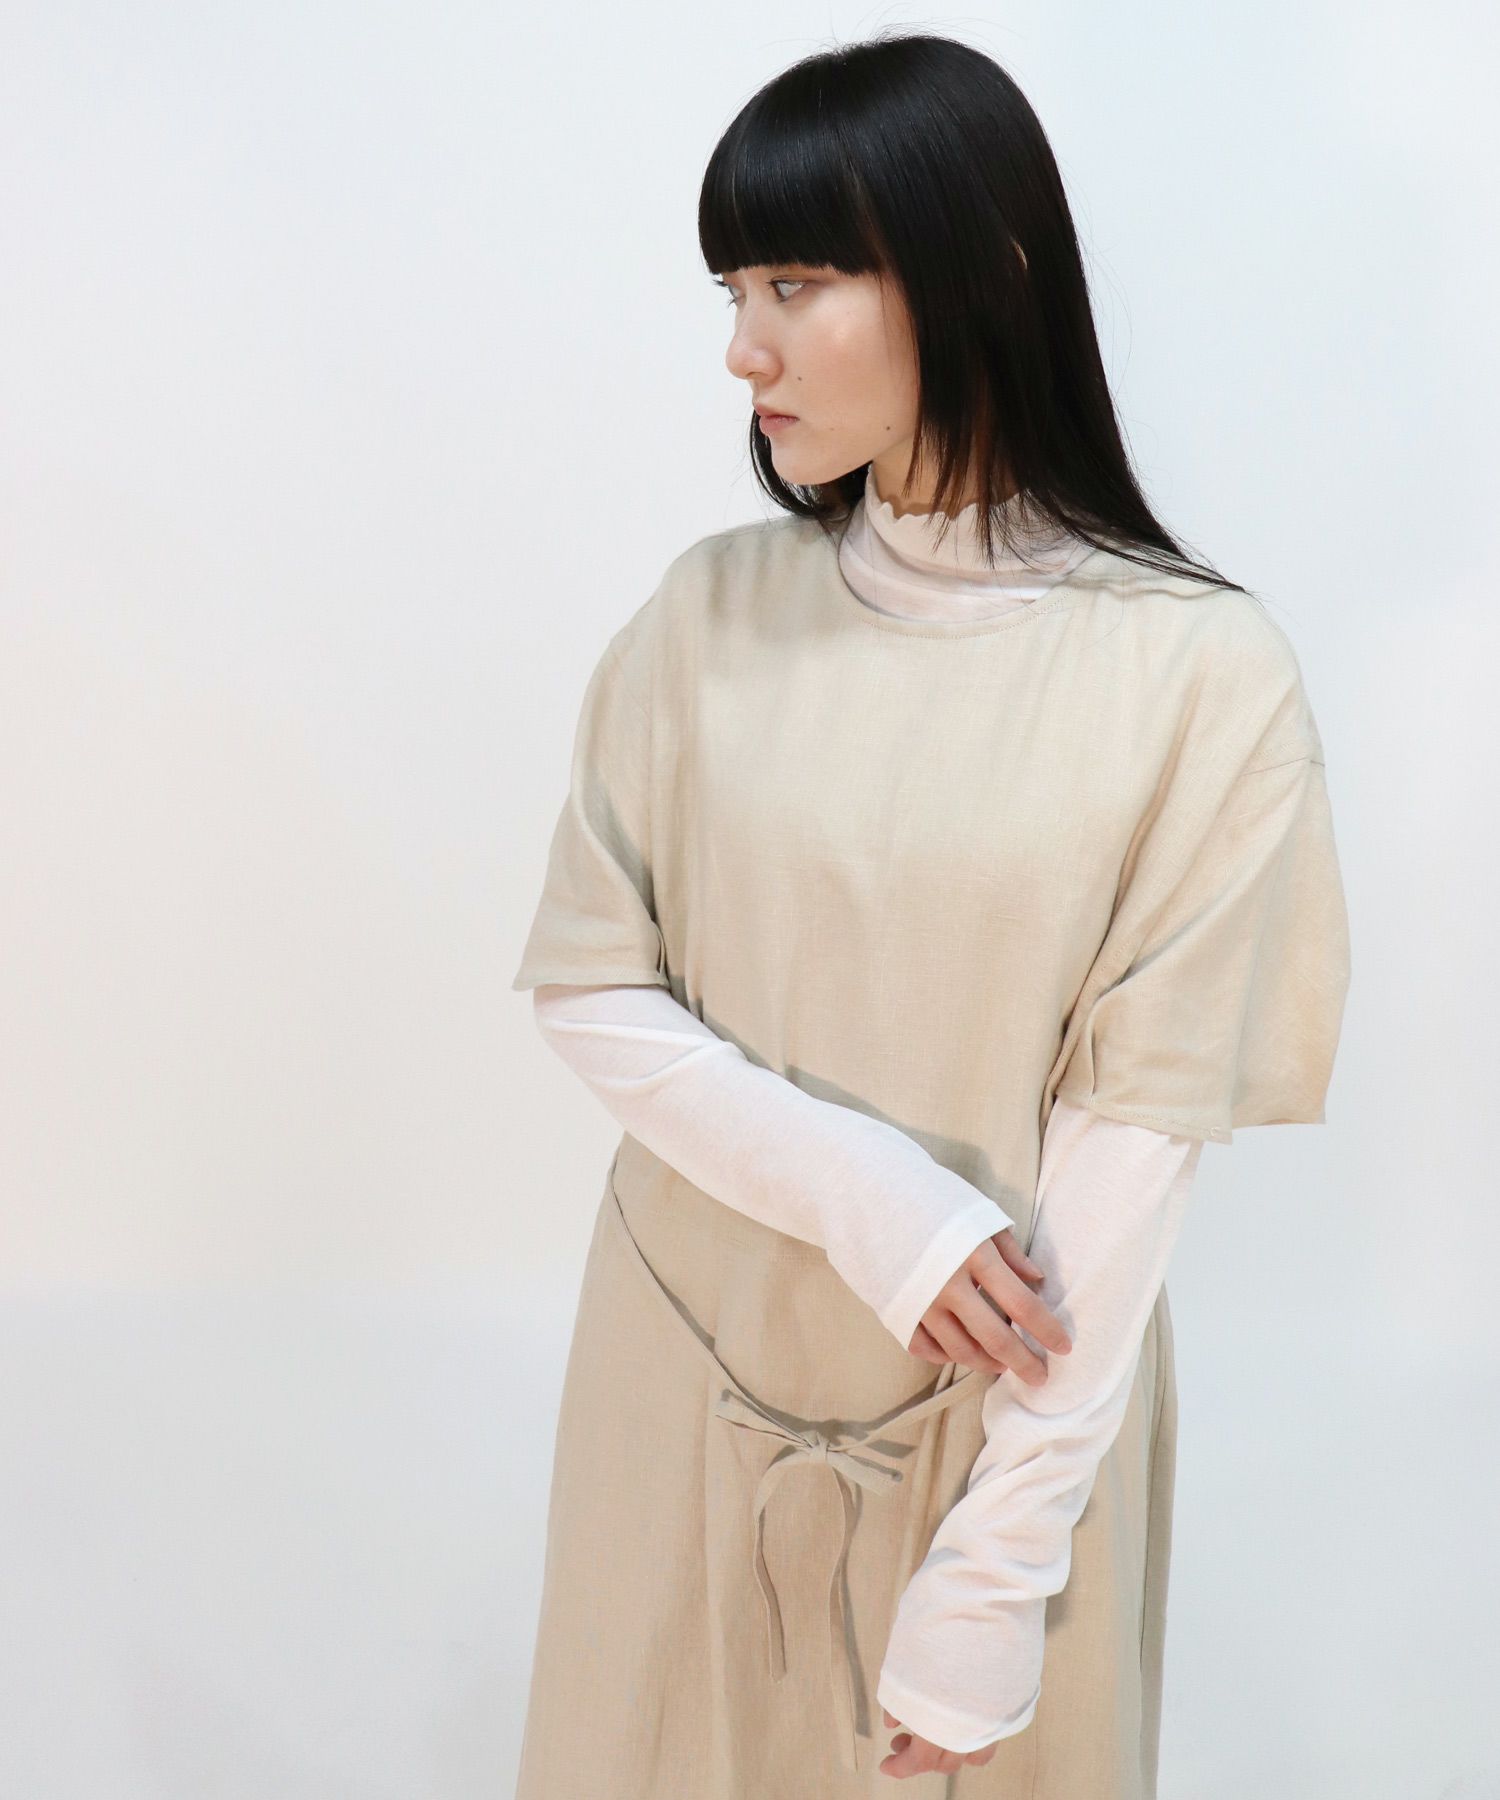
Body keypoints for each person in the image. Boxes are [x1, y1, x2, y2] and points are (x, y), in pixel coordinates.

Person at [508, 30, 1351, 1799]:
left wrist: (995, 1573)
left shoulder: (1201, 677)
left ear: (987, 269)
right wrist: (881, 1202)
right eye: (737, 290)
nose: (743, 347)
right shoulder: (705, 619)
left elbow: (1137, 1139)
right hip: (677, 1381)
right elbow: (590, 985)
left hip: (1004, 1428)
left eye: (796, 283)